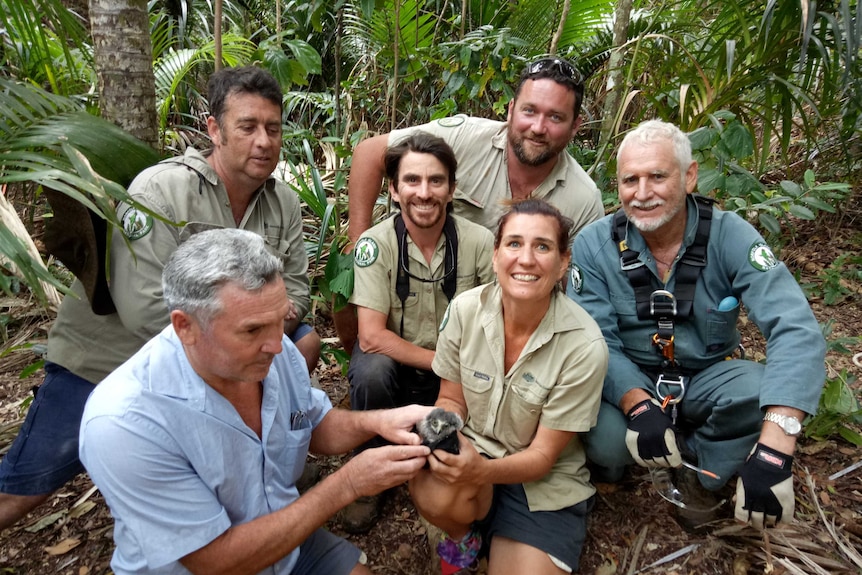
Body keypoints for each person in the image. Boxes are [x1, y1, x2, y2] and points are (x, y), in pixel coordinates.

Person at [0, 65, 320, 530]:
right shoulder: (162, 191)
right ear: (214, 129)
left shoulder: (283, 203)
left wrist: (259, 331)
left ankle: (256, 470)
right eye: (247, 127)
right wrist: (242, 339)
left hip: (221, 353)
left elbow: (299, 289)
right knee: (24, 488)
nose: (264, 141)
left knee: (303, 344)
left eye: (273, 128)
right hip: (111, 358)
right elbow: (144, 308)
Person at [79, 228, 432, 575]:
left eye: (279, 322)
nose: (277, 346)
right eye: (252, 330)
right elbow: (214, 561)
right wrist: (349, 484)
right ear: (185, 326)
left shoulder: (270, 353)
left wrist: (379, 422)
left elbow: (310, 423)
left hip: (285, 540)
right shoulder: (124, 422)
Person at [567, 120, 826, 530]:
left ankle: (700, 471)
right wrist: (637, 404)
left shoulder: (731, 237)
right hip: (633, 376)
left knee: (757, 389)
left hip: (708, 375)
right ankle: (622, 467)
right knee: (606, 440)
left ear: (689, 177)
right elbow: (595, 340)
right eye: (630, 180)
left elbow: (794, 327)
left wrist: (776, 448)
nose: (643, 193)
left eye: (657, 176)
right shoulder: (594, 246)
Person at [336, 57, 606, 354]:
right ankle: (361, 376)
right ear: (512, 109)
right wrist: (357, 241)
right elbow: (369, 152)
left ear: (575, 125)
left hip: (503, 310)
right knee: (350, 272)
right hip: (416, 276)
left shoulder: (582, 199)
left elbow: (576, 294)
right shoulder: (465, 137)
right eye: (529, 111)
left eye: (555, 117)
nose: (538, 128)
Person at [409, 199, 608, 575]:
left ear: (564, 261)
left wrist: (479, 473)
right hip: (477, 451)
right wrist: (444, 432)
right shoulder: (465, 310)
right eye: (514, 243)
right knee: (431, 489)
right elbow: (451, 397)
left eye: (543, 246)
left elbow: (542, 458)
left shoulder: (584, 346)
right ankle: (463, 538)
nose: (526, 259)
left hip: (543, 483)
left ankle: (505, 535)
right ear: (496, 253)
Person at [341, 133, 496, 533]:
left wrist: (460, 372)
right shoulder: (375, 245)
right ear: (393, 189)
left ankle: (465, 466)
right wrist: (443, 363)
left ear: (452, 189)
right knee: (371, 370)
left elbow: (494, 321)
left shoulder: (480, 243)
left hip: (459, 377)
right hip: (405, 365)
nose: (423, 193)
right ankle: (372, 467)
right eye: (411, 181)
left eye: (436, 181)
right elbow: (372, 336)